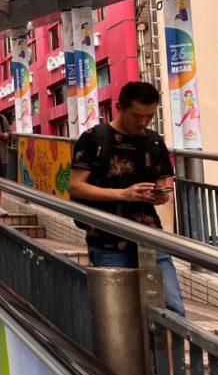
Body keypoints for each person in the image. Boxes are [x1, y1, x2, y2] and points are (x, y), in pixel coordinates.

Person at [69, 81, 184, 316]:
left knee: (173, 310)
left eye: (150, 116)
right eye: (136, 116)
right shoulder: (94, 138)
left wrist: (158, 196)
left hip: (150, 235)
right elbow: (76, 187)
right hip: (108, 239)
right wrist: (124, 194)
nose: (143, 123)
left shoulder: (153, 141)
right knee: (117, 315)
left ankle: (166, 354)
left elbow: (161, 185)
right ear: (119, 107)